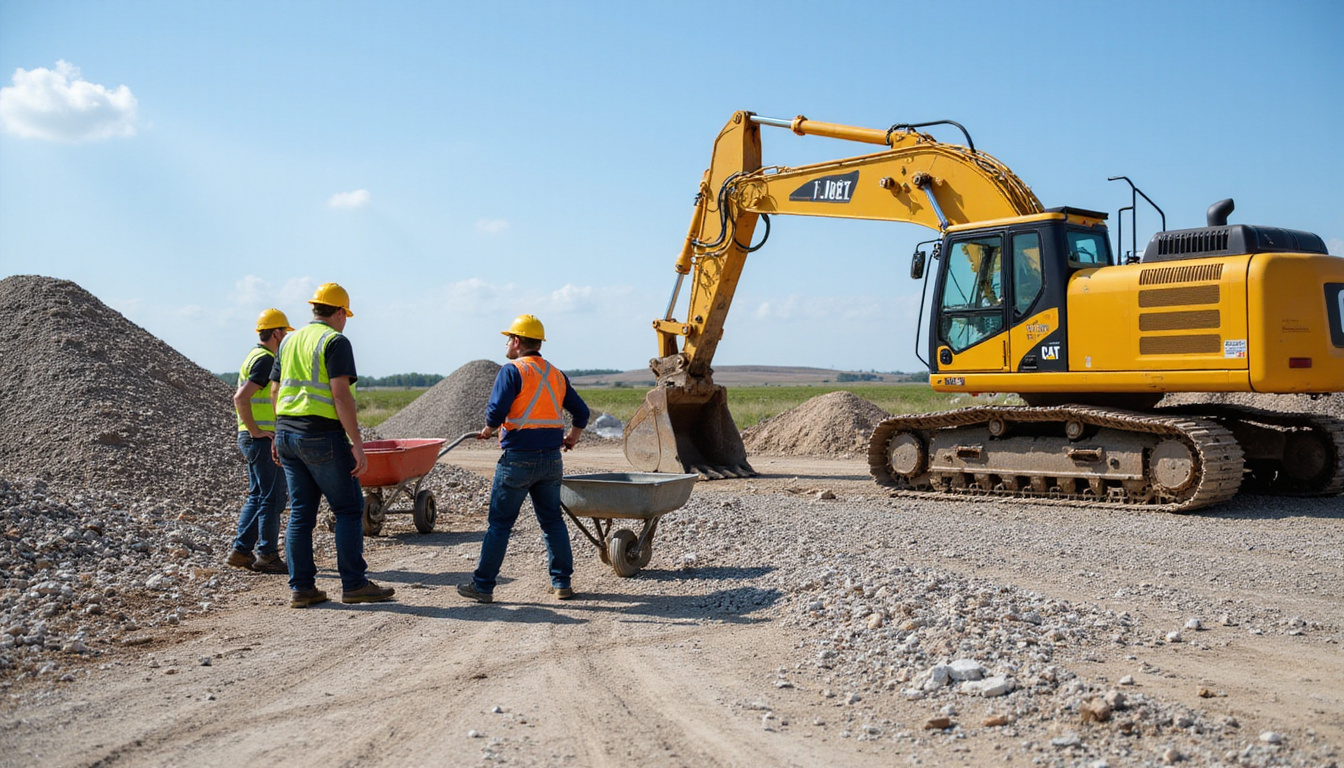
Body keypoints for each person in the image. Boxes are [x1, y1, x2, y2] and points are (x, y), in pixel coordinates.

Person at [270, 283, 395, 608]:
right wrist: (357, 443)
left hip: (287, 434)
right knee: (349, 510)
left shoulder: (288, 341)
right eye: (346, 316)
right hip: (321, 435)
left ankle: (302, 588)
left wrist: (279, 432)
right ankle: (354, 585)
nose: (346, 322)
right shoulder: (335, 341)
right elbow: (340, 395)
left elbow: (275, 391)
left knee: (301, 513)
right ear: (339, 312)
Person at [457, 314, 589, 604]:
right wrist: (572, 437)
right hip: (551, 460)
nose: (506, 345)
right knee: (552, 521)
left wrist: (489, 428)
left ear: (517, 342)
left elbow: (496, 410)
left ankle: (483, 586)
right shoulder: (556, 374)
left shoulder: (512, 371)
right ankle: (562, 583)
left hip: (517, 459)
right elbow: (582, 413)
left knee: (500, 525)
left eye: (508, 340)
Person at [226, 308, 294, 574]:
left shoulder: (254, 356)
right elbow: (241, 398)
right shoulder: (265, 360)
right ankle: (264, 554)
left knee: (260, 495)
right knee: (271, 498)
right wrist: (256, 431)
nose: (285, 338)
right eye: (284, 333)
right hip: (261, 438)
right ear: (276, 333)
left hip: (254, 437)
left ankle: (243, 551)